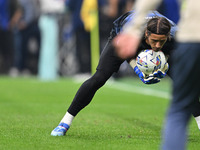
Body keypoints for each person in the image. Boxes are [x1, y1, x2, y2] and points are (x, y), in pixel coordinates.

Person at [50, 10, 200, 137]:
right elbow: (126, 52)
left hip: (160, 42)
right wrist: (137, 69)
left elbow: (173, 50)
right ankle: (65, 122)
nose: (157, 46)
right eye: (154, 41)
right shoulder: (131, 30)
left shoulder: (177, 35)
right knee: (99, 78)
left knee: (186, 82)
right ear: (147, 33)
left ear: (168, 36)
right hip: (122, 39)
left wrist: (164, 65)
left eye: (161, 41)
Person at [113, 0, 200, 149]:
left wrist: (133, 29)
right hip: (188, 38)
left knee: (179, 108)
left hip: (191, 38)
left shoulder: (173, 33)